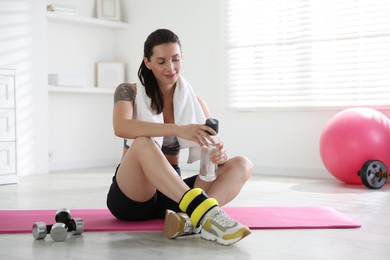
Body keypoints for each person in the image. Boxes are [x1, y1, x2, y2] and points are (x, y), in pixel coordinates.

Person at [106, 28, 253, 246]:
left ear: (182, 57)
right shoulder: (128, 91)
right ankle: (206, 215)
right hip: (134, 194)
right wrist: (178, 129)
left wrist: (219, 154)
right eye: (161, 61)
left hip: (173, 193)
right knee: (143, 142)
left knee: (242, 164)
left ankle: (190, 219)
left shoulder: (195, 102)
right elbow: (121, 127)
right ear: (147, 62)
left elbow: (212, 150)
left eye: (175, 59)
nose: (171, 68)